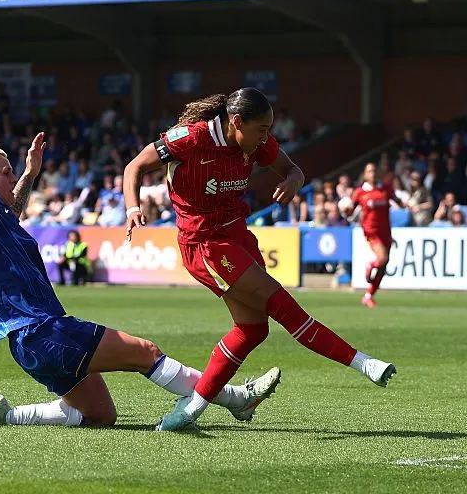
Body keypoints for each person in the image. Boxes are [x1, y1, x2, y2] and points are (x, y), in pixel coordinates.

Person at [0, 137, 280, 429]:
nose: (13, 177)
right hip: (43, 331)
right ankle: (238, 398)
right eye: (6, 172)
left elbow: (12, 206)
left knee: (100, 415)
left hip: (28, 343)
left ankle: (6, 415)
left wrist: (30, 173)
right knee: (146, 353)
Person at [123, 88, 396, 432]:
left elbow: (292, 169)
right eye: (262, 129)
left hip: (238, 234)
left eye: (269, 129)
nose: (267, 138)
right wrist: (133, 208)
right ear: (236, 122)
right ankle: (364, 363)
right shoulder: (191, 139)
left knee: (252, 329)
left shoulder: (255, 142)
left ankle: (191, 410)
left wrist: (294, 180)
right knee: (283, 307)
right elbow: (134, 167)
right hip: (206, 244)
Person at [342, 163, 404, 308]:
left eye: (375, 171)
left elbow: (397, 201)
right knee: (382, 258)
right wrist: (346, 211)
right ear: (365, 175)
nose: (373, 173)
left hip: (386, 231)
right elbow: (350, 211)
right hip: (371, 231)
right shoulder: (360, 192)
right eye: (370, 171)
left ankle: (369, 295)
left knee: (383, 266)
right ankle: (369, 265)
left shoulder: (385, 189)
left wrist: (405, 204)